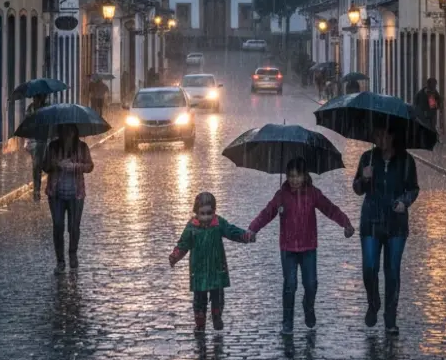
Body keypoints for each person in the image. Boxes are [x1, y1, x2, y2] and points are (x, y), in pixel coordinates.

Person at [248, 158, 355, 335]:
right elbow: (267, 213)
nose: (294, 180)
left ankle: (308, 306)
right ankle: (287, 322)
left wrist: (345, 223)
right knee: (290, 285)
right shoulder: (281, 195)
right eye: (290, 176)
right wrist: (253, 228)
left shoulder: (313, 193)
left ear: (305, 176)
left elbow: (330, 209)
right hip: (288, 248)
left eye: (297, 176)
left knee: (311, 284)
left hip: (308, 247)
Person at [353, 126, 419, 335]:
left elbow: (413, 188)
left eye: (384, 135)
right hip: (371, 221)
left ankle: (390, 317)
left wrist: (404, 201)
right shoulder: (367, 158)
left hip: (396, 224)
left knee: (392, 271)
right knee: (369, 267)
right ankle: (373, 302)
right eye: (377, 134)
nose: (379, 138)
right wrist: (364, 178)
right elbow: (357, 189)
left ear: (393, 136)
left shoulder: (406, 161)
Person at [169, 192, 256, 334]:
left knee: (218, 295)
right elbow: (183, 244)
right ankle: (200, 323)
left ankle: (217, 316)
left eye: (209, 213)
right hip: (199, 269)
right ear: (196, 212)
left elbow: (231, 231)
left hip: (216, 267)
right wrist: (175, 255)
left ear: (214, 211)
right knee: (199, 298)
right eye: (202, 213)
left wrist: (245, 236)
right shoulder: (191, 227)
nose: (206, 217)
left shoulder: (218, 223)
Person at [42, 124, 94, 274]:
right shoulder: (53, 147)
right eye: (64, 131)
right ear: (60, 132)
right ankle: (60, 261)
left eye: (70, 131)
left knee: (74, 226)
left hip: (76, 194)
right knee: (58, 226)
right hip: (56, 194)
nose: (67, 135)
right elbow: (45, 166)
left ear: (75, 132)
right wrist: (56, 165)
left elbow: (90, 166)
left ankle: (72, 254)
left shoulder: (82, 147)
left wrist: (75, 166)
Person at [26, 94, 49, 201]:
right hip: (34, 141)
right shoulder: (30, 108)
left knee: (46, 165)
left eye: (37, 98)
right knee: (36, 166)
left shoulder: (48, 108)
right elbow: (27, 123)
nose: (35, 99)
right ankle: (36, 190)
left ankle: (50, 187)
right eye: (34, 98)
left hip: (46, 140)